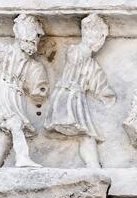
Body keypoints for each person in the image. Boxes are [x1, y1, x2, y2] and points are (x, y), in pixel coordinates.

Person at [0, 13, 49, 168]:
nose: (35, 39)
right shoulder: (4, 51)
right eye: (32, 34)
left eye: (37, 37)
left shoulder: (31, 64)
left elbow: (36, 91)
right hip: (2, 91)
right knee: (15, 123)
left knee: (4, 136)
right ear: (20, 33)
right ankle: (22, 158)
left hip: (14, 95)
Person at [45, 14, 117, 169]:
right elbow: (76, 57)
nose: (99, 41)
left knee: (86, 134)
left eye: (101, 37)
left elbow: (99, 84)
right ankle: (92, 164)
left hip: (76, 98)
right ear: (86, 33)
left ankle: (92, 164)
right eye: (96, 34)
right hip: (68, 97)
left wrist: (107, 96)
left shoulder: (92, 65)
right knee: (85, 133)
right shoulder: (75, 51)